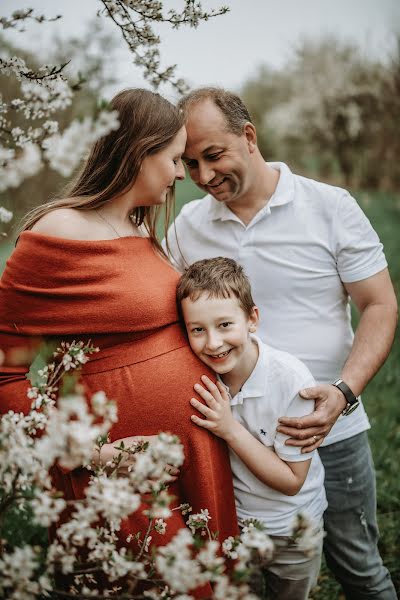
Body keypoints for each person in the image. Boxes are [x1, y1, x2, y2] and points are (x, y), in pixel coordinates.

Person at [0, 88, 238, 594]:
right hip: (118, 466)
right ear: (138, 152)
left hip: (189, 452)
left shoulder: (137, 228)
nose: (180, 174)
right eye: (174, 159)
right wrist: (86, 450)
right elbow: (5, 365)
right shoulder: (61, 228)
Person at [164, 87, 398, 599]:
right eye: (190, 163)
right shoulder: (188, 228)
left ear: (248, 136)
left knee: (358, 566)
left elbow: (380, 306)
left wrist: (343, 392)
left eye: (213, 156)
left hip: (327, 429)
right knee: (238, 574)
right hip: (230, 437)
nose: (202, 177)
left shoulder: (329, 206)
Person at [176, 256, 327, 600]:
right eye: (198, 330)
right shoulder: (200, 376)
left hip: (292, 530)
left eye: (225, 325)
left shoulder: (291, 382)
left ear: (252, 319)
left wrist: (229, 428)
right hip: (236, 527)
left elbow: (291, 481)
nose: (213, 343)